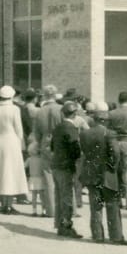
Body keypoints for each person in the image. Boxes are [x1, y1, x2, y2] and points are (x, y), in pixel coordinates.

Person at [79, 102, 125, 244]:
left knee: (96, 206)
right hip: (107, 174)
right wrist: (113, 167)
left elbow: (85, 152)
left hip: (91, 172)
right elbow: (116, 153)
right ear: (104, 120)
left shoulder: (85, 133)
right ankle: (116, 236)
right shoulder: (109, 133)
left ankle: (97, 235)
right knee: (112, 205)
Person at [0, 85, 29, 214]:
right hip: (12, 141)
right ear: (12, 96)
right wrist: (22, 144)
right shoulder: (14, 109)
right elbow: (19, 129)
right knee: (10, 172)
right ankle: (8, 205)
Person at [50, 101, 84, 238]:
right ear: (75, 113)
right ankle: (66, 225)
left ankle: (59, 223)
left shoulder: (57, 127)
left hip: (56, 164)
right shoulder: (71, 128)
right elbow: (75, 149)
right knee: (67, 197)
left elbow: (52, 146)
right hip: (66, 166)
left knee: (59, 196)